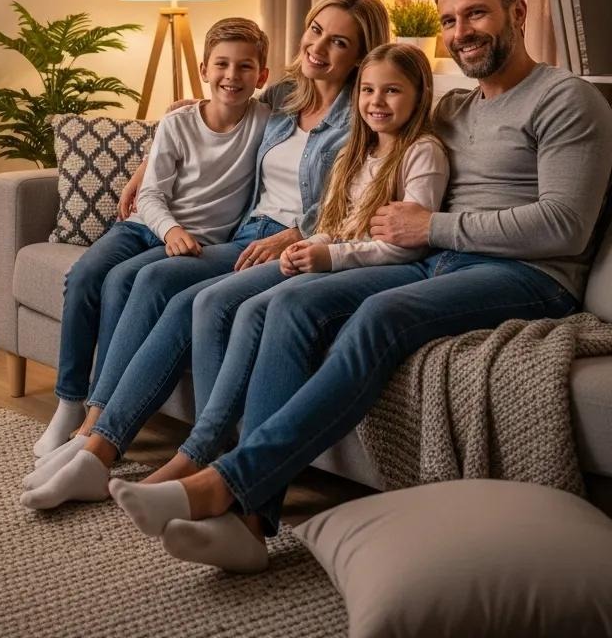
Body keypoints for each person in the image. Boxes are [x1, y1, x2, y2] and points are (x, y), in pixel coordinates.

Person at [107, 0, 612, 574]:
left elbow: (566, 224)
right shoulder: (453, 108)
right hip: (437, 262)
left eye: (476, 13)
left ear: (518, 12)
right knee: (291, 302)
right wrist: (197, 113)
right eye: (450, 20)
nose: (462, 32)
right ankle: (250, 523)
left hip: (529, 278)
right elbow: (374, 117)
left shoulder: (569, 101)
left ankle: (222, 485)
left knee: (378, 315)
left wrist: (435, 225)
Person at [25, 42, 446, 511]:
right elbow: (332, 210)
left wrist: (304, 243)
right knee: (136, 281)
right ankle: (94, 439)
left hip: (294, 242)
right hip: (262, 234)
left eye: (341, 42)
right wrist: (159, 147)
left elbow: (390, 229)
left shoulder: (362, 129)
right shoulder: (289, 101)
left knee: (195, 300)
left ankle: (179, 456)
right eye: (316, 31)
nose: (320, 48)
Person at [32, 18, 273, 457]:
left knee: (123, 283)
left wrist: (183, 236)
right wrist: (171, 229)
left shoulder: (266, 124)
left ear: (262, 76)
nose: (232, 76)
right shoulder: (180, 123)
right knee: (86, 274)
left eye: (244, 67)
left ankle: (98, 414)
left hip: (198, 242)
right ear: (204, 69)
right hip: (147, 226)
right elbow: (153, 194)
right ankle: (69, 401)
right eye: (221, 64)